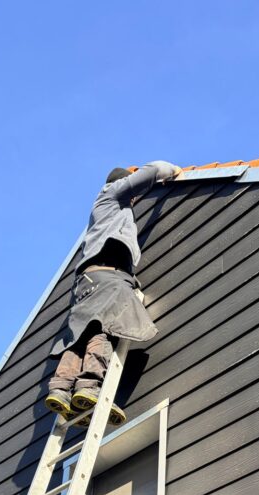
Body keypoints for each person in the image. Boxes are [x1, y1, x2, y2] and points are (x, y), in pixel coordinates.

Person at [45, 160, 182, 426]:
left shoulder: (104, 215)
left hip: (90, 278)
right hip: (107, 275)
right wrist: (171, 171)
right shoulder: (111, 194)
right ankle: (90, 386)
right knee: (104, 329)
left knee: (80, 337)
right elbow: (151, 173)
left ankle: (61, 389)